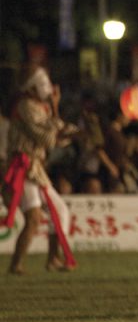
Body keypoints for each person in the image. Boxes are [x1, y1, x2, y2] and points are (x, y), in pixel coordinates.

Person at [3, 66, 77, 274]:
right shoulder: (26, 106)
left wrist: (79, 134)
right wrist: (55, 107)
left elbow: (57, 130)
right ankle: (16, 264)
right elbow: (45, 137)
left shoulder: (41, 108)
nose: (48, 87)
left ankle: (53, 259)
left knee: (60, 210)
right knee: (34, 217)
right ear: (32, 87)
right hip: (23, 167)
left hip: (35, 169)